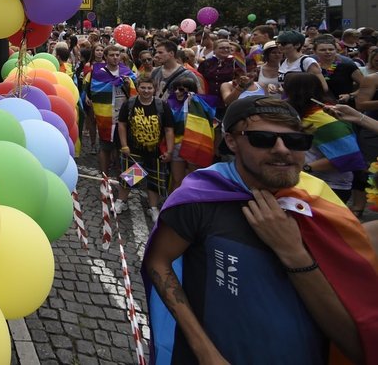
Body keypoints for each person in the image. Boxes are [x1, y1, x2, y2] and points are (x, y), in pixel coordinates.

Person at [144, 97, 378, 364]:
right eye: (262, 139)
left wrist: (293, 252)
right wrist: (204, 350)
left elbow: (359, 345)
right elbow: (159, 261)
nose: (282, 149)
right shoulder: (200, 197)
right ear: (231, 141)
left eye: (295, 141)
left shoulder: (323, 205)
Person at [283, 72, 365, 204]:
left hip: (330, 187)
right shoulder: (301, 114)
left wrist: (305, 168)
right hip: (309, 183)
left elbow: (349, 156)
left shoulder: (325, 118)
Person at [117, 79, 175, 221]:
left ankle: (153, 208)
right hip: (134, 150)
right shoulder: (130, 104)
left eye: (149, 88)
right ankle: (121, 201)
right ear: (137, 88)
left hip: (155, 152)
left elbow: (168, 130)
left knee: (154, 181)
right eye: (143, 87)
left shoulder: (162, 106)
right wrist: (124, 145)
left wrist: (170, 151)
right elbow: (122, 125)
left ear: (154, 89)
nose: (146, 91)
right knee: (129, 178)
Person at [85, 44, 138, 179]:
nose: (115, 58)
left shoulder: (126, 71)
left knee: (126, 147)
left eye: (117, 55)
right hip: (106, 116)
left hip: (125, 116)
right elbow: (93, 90)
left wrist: (128, 84)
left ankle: (126, 181)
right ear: (105, 57)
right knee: (105, 146)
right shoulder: (96, 72)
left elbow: (137, 88)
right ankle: (105, 177)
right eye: (111, 55)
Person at [313, 33, 363, 101]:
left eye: (331, 49)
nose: (327, 52)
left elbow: (365, 85)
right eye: (323, 50)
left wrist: (350, 95)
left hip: (343, 104)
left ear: (336, 50)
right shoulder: (313, 67)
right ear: (314, 52)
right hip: (318, 104)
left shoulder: (347, 65)